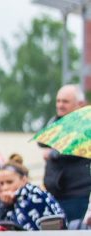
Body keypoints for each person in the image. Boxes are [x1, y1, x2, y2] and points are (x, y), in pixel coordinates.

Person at [40, 84, 91, 227]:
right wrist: (56, 120)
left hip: (77, 196)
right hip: (55, 195)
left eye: (65, 102)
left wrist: (53, 154)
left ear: (79, 104)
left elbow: (74, 148)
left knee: (74, 235)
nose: (60, 105)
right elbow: (41, 141)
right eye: (58, 101)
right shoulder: (58, 122)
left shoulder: (86, 123)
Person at [0, 163, 64, 231]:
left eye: (9, 182)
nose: (5, 187)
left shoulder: (35, 196)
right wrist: (5, 206)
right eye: (2, 183)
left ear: (24, 180)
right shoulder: (9, 201)